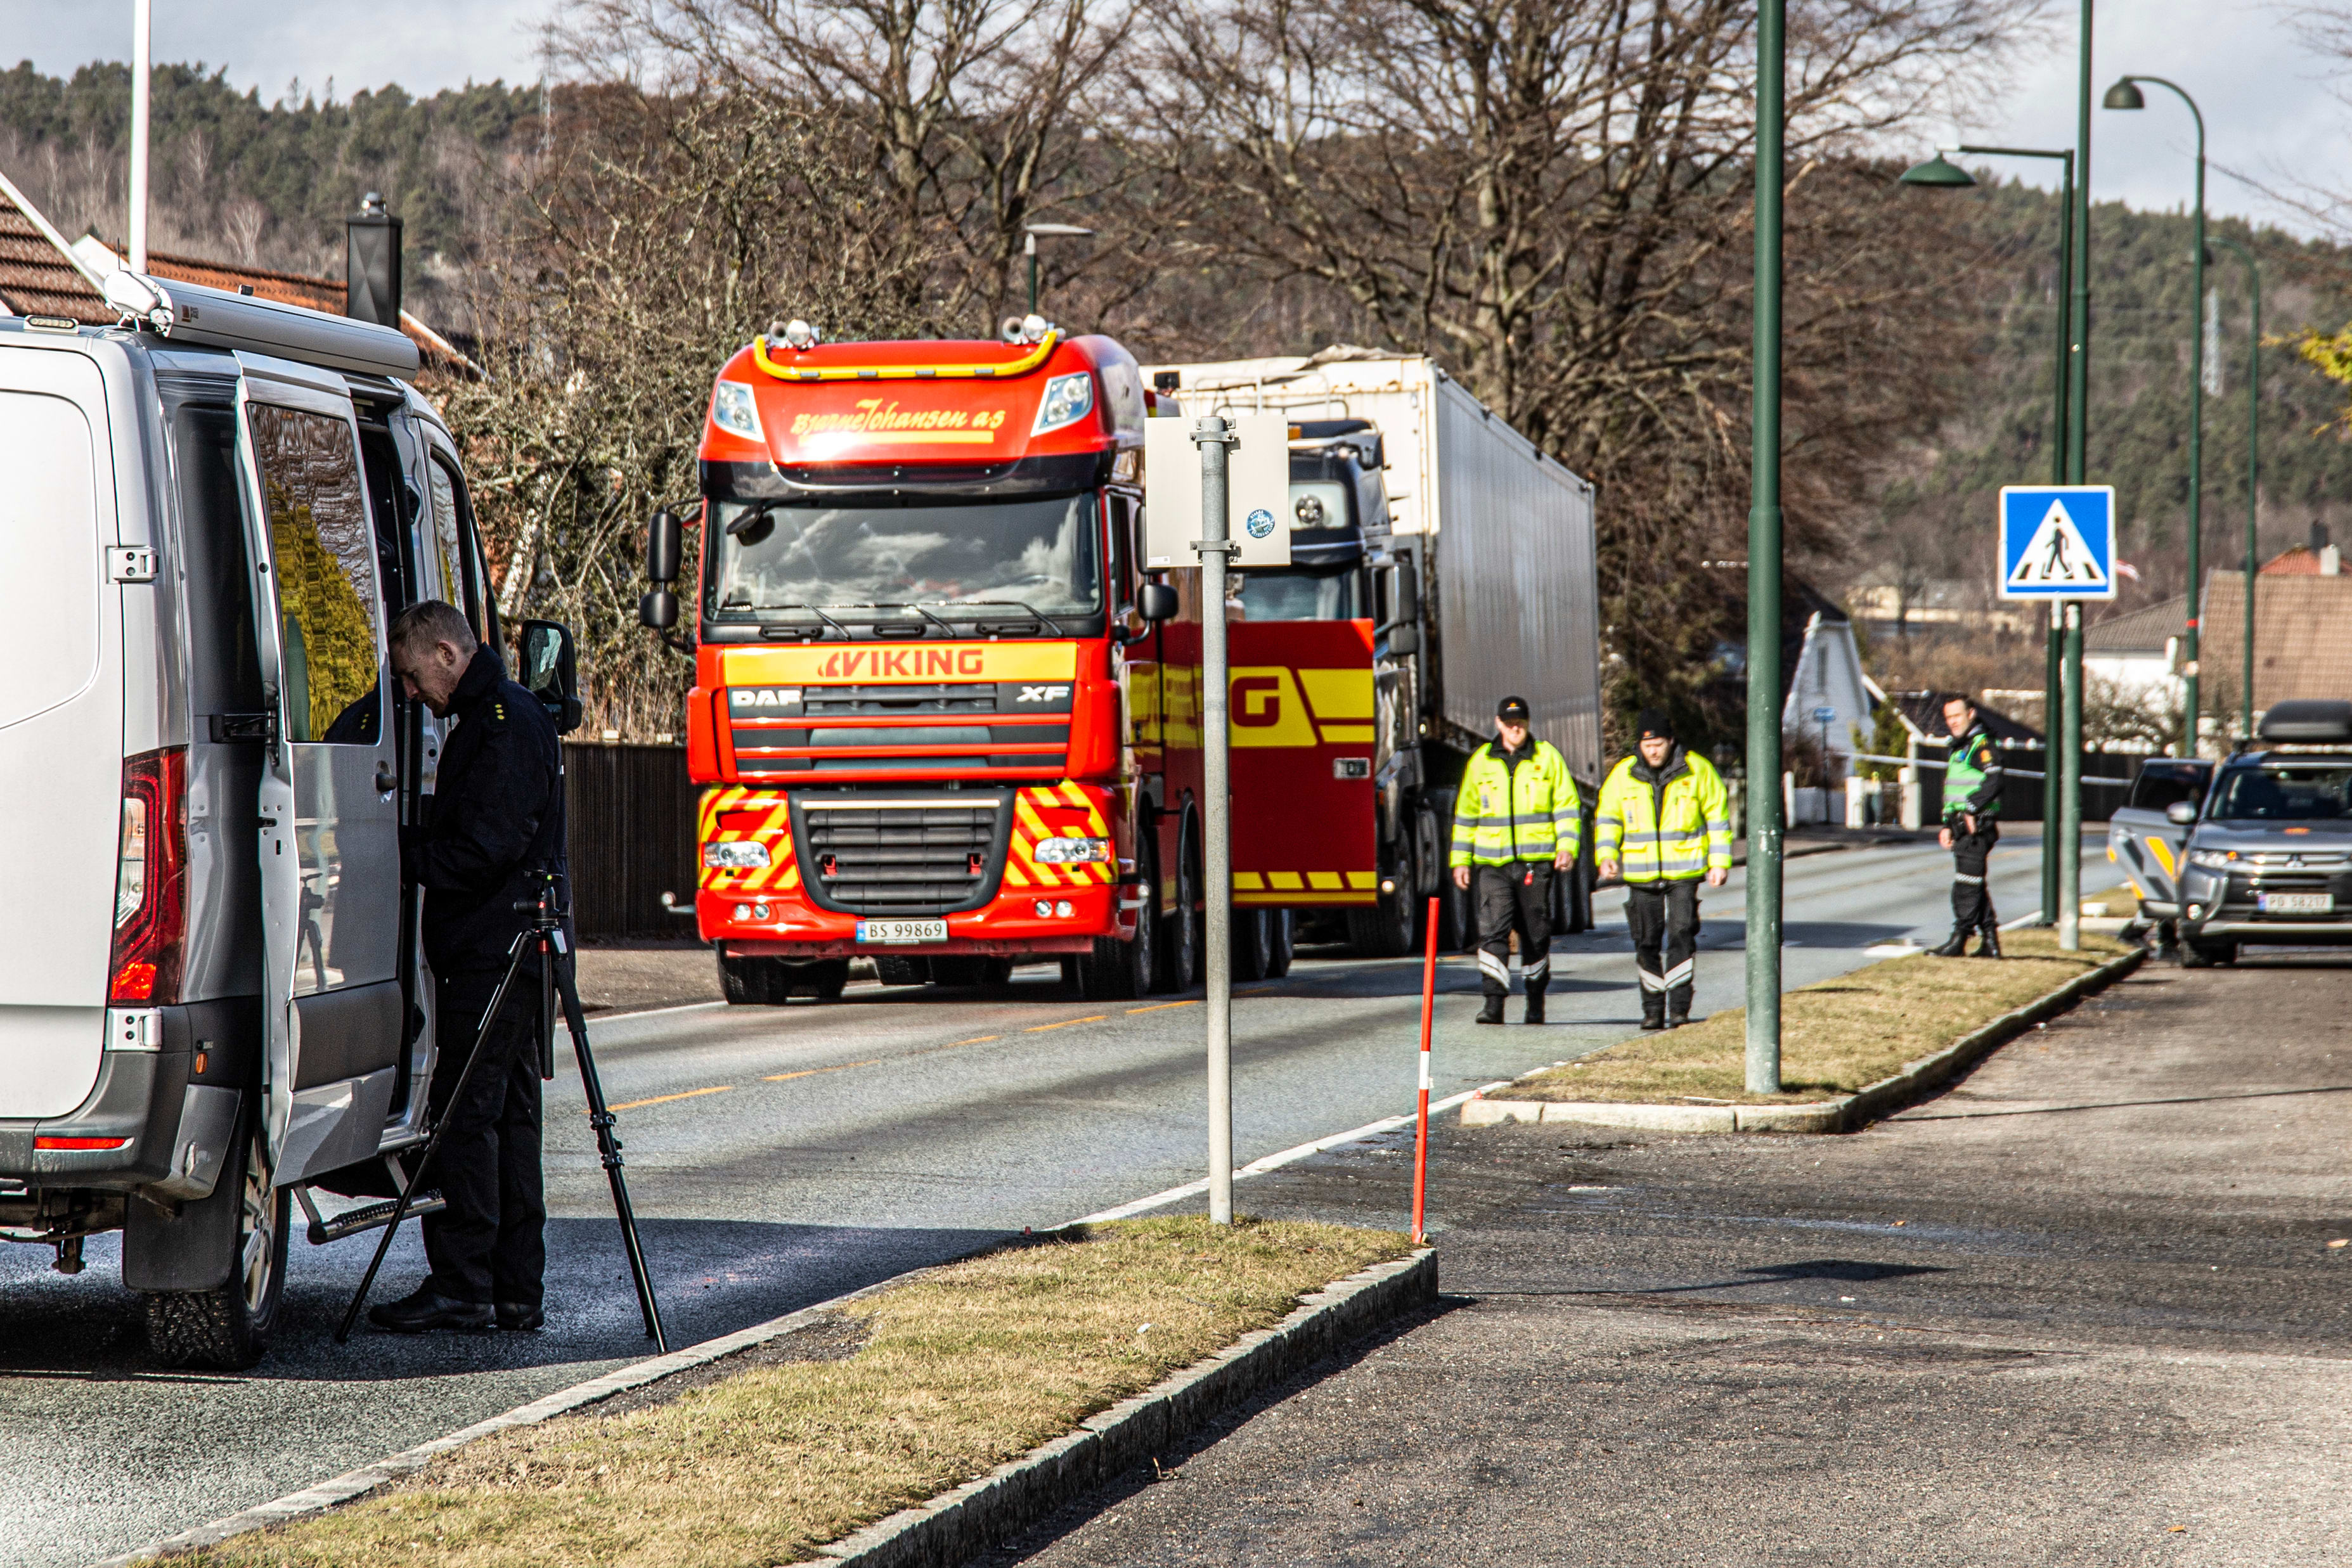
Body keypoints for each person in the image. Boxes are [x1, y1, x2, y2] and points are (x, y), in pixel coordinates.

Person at [368, 601, 563, 1334]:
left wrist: (406, 853)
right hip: (505, 950)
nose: (412, 694)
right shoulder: (496, 720)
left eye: (415, 676)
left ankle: (466, 1284)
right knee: (507, 1118)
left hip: (495, 954)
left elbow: (486, 845)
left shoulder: (502, 724)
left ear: (447, 652)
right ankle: (512, 1289)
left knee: (466, 1119)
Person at [1449, 696, 1582, 1025]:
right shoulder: (1480, 762)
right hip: (1492, 866)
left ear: (1528, 724)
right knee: (1493, 932)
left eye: (1520, 723)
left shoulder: (1547, 758)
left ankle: (1535, 1001)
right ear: (1498, 724)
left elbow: (1567, 808)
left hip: (1534, 866)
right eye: (1509, 724)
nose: (1515, 729)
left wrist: (1567, 847)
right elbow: (1466, 816)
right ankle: (1493, 1004)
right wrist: (1461, 861)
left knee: (1535, 934)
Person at [1595, 710, 1731, 1030]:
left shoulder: (1698, 770)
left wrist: (1719, 862)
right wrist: (1606, 853)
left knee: (1682, 932)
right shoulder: (1622, 775)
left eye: (1658, 744)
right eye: (1648, 745)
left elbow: (1718, 819)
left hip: (1683, 872)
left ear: (1671, 741)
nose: (1653, 751)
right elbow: (1607, 819)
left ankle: (1679, 1007)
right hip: (1641, 874)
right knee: (1646, 941)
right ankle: (1653, 1009)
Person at [1929, 693, 2005, 958]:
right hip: (1961, 827)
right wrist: (1947, 824)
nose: (1952, 722)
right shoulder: (1959, 747)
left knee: (1965, 887)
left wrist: (1973, 807)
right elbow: (1954, 791)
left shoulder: (1981, 744)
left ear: (1971, 713)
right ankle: (1990, 943)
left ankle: (1959, 939)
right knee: (1973, 884)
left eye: (1957, 716)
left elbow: (1995, 779)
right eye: (1948, 717)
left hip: (1977, 829)